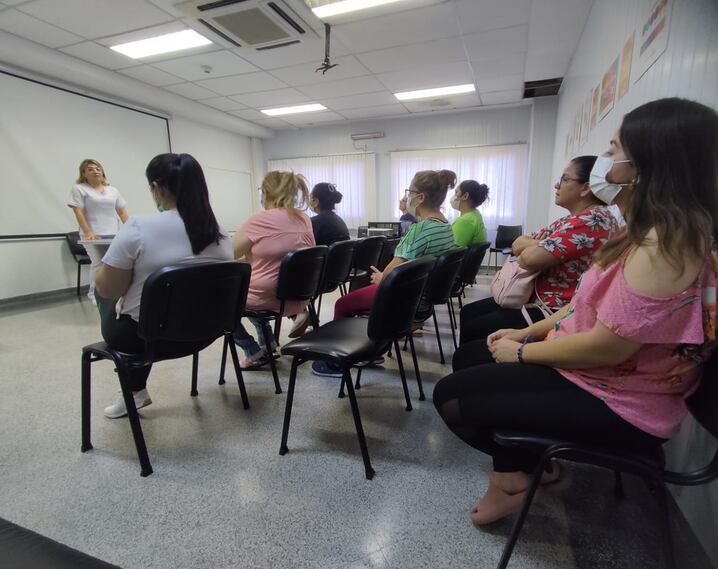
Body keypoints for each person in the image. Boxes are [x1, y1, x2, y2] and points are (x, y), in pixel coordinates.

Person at [433, 98, 718, 526]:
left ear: (646, 163)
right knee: (475, 355)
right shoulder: (652, 233)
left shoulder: (668, 248)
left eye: (613, 148)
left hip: (623, 400)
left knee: (453, 396)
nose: (604, 160)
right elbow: (582, 304)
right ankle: (530, 466)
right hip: (600, 374)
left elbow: (607, 347)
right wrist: (524, 335)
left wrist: (524, 352)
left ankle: (513, 478)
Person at [95, 153, 233, 419]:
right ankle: (135, 391)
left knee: (107, 294)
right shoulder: (219, 230)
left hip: (145, 339)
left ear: (157, 188)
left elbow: (108, 289)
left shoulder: (138, 225)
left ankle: (135, 391)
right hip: (206, 333)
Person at [312, 169, 458, 377]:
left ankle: (336, 362)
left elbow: (390, 274)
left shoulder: (420, 229)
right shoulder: (445, 226)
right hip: (421, 298)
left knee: (342, 304)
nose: (408, 197)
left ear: (421, 197)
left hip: (404, 299)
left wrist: (381, 277)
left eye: (410, 192)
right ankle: (372, 350)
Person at [459, 156, 618, 344]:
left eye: (565, 179)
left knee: (473, 330)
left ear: (586, 188)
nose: (557, 186)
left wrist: (539, 245)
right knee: (469, 312)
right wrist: (541, 245)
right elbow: (517, 244)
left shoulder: (592, 221)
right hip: (533, 297)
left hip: (551, 310)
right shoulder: (570, 220)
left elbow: (527, 259)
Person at [232, 171, 315, 368]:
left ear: (266, 193)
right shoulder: (304, 218)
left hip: (268, 298)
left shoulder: (259, 221)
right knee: (251, 293)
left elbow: (229, 254)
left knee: (221, 306)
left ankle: (253, 351)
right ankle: (268, 344)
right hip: (298, 298)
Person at [67, 159, 129, 302]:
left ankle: (112, 291)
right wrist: (88, 232)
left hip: (113, 233)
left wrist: (130, 229)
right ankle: (94, 294)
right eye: (90, 169)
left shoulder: (112, 190)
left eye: (98, 168)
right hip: (92, 235)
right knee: (98, 263)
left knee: (113, 263)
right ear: (84, 174)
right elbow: (78, 211)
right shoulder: (79, 188)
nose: (95, 171)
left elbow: (122, 212)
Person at [450, 180, 489, 247]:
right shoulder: (476, 215)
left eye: (456, 192)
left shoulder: (465, 221)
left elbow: (451, 250)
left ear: (465, 196)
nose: (454, 196)